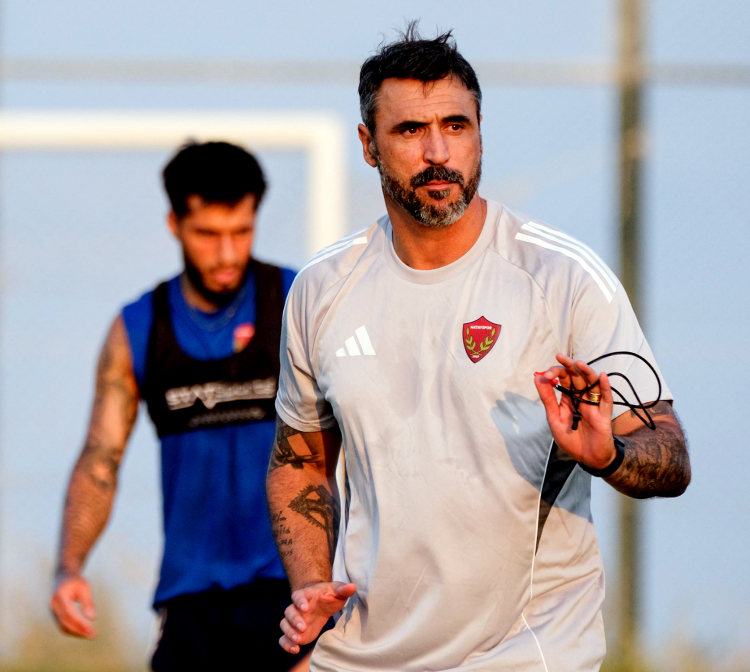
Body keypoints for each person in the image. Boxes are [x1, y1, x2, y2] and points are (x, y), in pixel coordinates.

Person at [266, 24, 691, 672]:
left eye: (456, 126)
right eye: (411, 130)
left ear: (480, 132)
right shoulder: (321, 290)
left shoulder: (562, 277)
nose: (438, 151)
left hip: (523, 655)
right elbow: (299, 461)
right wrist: (311, 587)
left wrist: (609, 454)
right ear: (368, 145)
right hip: (362, 654)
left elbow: (669, 450)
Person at [50, 140, 316, 671]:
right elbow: (101, 460)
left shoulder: (301, 303)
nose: (227, 254)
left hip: (294, 597)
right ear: (174, 224)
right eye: (208, 235)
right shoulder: (138, 329)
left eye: (241, 231)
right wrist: (68, 567)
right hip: (191, 604)